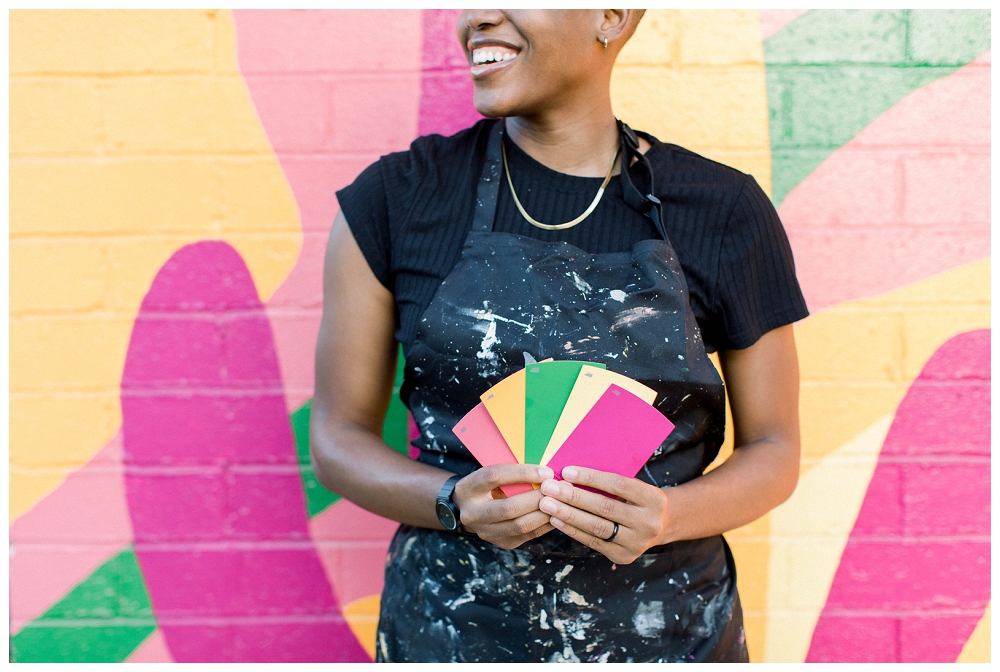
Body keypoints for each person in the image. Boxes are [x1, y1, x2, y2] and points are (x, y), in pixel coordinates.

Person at [310, 9, 807, 663]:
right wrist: (452, 501)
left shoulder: (722, 210)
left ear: (611, 16)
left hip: (669, 637)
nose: (478, 16)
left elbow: (773, 447)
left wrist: (666, 516)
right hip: (450, 635)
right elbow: (336, 439)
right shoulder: (396, 200)